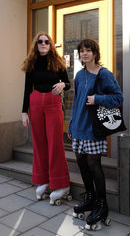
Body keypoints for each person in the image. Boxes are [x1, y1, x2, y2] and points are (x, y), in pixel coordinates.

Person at [68, 39, 123, 229]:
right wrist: (71, 125)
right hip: (79, 128)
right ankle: (90, 199)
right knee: (82, 163)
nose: (84, 54)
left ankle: (102, 205)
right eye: (81, 51)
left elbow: (118, 97)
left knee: (94, 164)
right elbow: (75, 102)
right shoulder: (78, 74)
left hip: (93, 128)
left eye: (88, 50)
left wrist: (97, 98)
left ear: (95, 53)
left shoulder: (103, 74)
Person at [22, 31, 70, 205]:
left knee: (55, 143)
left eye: (47, 42)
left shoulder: (58, 63)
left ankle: (61, 183)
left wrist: (63, 84)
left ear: (50, 45)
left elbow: (69, 83)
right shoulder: (32, 64)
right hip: (35, 104)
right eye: (40, 41)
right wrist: (24, 112)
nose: (43, 44)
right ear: (36, 44)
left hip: (52, 104)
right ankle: (44, 180)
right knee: (39, 143)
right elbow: (27, 89)